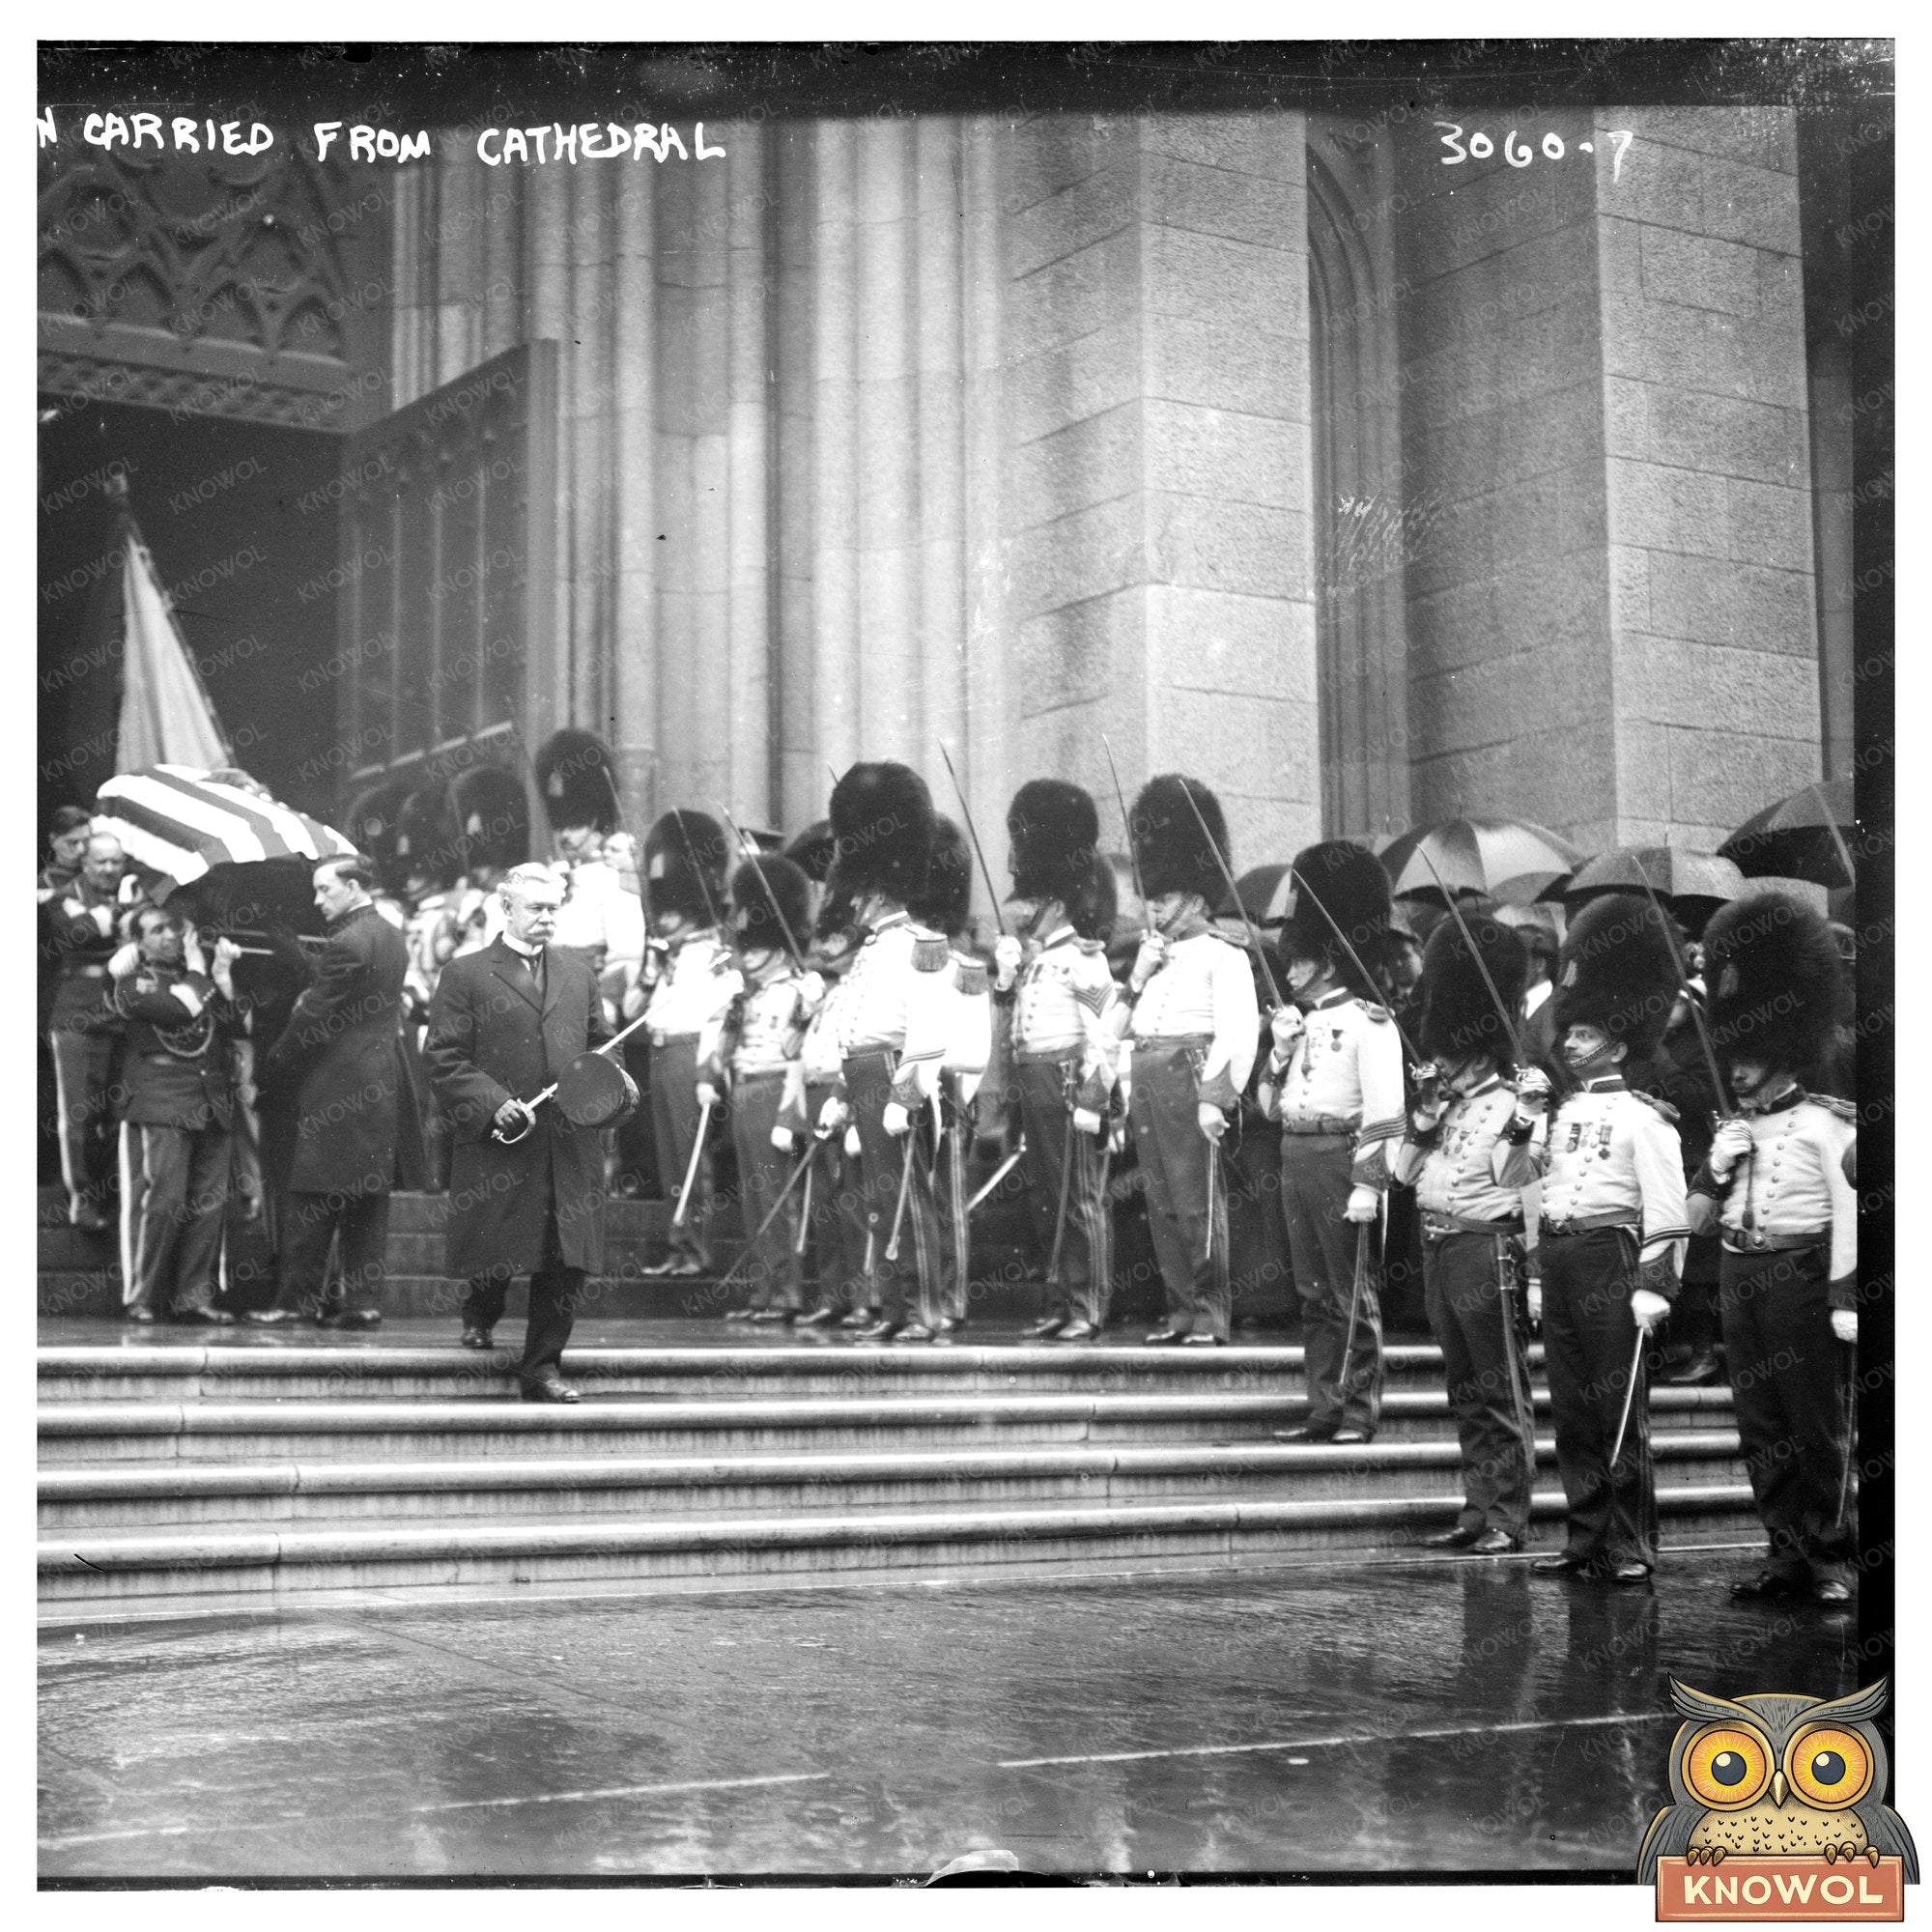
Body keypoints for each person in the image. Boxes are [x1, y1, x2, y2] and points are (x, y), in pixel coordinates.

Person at [1501, 894, 1690, 1586]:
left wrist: (1653, 1285)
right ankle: (1586, 1539)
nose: (1568, 1044)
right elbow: (1515, 1174)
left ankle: (1633, 1543)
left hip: (1614, 1258)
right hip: (1562, 1255)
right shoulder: (1559, 1110)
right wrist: (1523, 1117)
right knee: (1576, 1411)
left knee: (1620, 1413)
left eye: (1580, 1036)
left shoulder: (1646, 1119)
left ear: (1613, 1040)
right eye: (1570, 1035)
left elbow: (1668, 1209)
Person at [1691, 890, 1858, 1607]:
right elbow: (1696, 1218)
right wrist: (1714, 1166)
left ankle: (1830, 1556)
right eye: (1737, 1058)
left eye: (1751, 1059)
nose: (1738, 1071)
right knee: (1759, 1421)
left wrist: (1846, 1294)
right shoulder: (1733, 1129)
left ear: (1783, 1055)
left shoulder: (1829, 1126)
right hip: (1740, 1268)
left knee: (1813, 1421)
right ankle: (1783, 1552)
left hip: (1799, 1270)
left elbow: (1853, 1212)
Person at [423, 863, 637, 1399]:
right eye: (535, 909)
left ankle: (542, 1365)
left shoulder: (579, 973)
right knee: (497, 1240)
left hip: (568, 1139)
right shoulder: (465, 973)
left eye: (553, 909)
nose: (546, 919)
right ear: (506, 907)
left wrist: (605, 1090)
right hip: (502, 1135)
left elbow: (605, 1045)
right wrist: (493, 1103)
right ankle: (482, 1309)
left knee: (566, 1254)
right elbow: (444, 1056)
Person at [1395, 909, 1538, 1554]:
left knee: (1498, 1387)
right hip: (1440, 1245)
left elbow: (1528, 1193)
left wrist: (1533, 1278)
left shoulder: (1516, 1105)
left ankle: (1508, 1516)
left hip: (1487, 1247)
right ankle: (1477, 1509)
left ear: (1475, 1048)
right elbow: (1402, 1178)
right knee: (1464, 1389)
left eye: (1447, 1058)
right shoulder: (1442, 1105)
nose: (1438, 1066)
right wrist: (1423, 1123)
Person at [1261, 841, 1404, 1440]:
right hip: (1297, 1154)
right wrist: (1279, 1053)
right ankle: (1324, 1404)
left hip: (1343, 1158)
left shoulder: (1370, 1021)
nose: (1289, 970)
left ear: (1325, 961)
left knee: (1351, 1293)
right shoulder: (1301, 1023)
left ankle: (1359, 1407)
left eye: (1298, 960)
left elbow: (1387, 1114)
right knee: (1312, 1292)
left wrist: (1369, 1186)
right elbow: (1270, 1108)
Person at [1121, 775, 1258, 1348]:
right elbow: (1131, 1029)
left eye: (1165, 900)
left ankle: (1209, 1313)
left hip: (1190, 1076)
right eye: (1150, 899)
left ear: (1196, 899)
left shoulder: (1224, 956)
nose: (1154, 910)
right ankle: (1179, 1309)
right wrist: (1138, 975)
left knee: (1197, 1202)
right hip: (1150, 1076)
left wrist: (1215, 1097)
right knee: (1162, 1203)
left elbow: (1240, 1033)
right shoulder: (1155, 958)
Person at [250, 856, 414, 1329]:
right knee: (367, 1194)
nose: (318, 900)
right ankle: (361, 1300)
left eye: (326, 889)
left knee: (311, 1192)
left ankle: (296, 1300)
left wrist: (276, 1061)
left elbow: (313, 1014)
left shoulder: (346, 941)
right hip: (380, 1078)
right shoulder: (388, 935)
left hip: (338, 1079)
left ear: (355, 887)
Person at [826, 761, 952, 1343]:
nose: (848, 904)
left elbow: (928, 1031)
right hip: (864, 1077)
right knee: (881, 1203)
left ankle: (924, 1309)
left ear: (874, 890)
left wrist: (906, 1095)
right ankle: (895, 1309)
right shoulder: (871, 950)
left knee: (909, 1200)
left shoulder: (921, 946)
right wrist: (838, 1095)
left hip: (894, 1078)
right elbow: (852, 1029)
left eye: (855, 893)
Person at [997, 780, 1122, 1344]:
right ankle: (1057, 1300)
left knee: (1078, 1199)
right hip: (1035, 1080)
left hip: (1071, 1084)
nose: (1022, 910)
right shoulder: (1038, 959)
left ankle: (1087, 1305)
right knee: (1045, 1200)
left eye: (1030, 900)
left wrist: (1095, 1100)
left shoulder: (1084, 960)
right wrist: (1004, 978)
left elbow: (1106, 1034)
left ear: (1056, 901)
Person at [95, 905, 242, 1323]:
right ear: (138, 942)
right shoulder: (130, 982)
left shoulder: (199, 977)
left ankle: (192, 1297)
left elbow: (236, 1026)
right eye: (157, 930)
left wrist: (224, 976)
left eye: (176, 927)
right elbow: (177, 1011)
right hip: (159, 1099)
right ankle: (141, 1295)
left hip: (210, 1099)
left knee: (208, 1204)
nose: (170, 936)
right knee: (162, 1201)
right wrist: (199, 969)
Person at [631, 810, 740, 1277]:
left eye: (671, 912)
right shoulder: (666, 956)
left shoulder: (714, 955)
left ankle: (695, 1246)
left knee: (692, 1157)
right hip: (659, 1052)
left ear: (691, 907)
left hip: (688, 1056)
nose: (664, 920)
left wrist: (707, 1073)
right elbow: (633, 1010)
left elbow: (721, 1019)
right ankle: (677, 1245)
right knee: (669, 1159)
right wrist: (650, 967)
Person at [711, 852, 816, 1323]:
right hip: (745, 1094)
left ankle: (785, 1293)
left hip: (776, 1094)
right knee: (753, 1199)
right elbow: (722, 1055)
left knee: (777, 1198)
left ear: (777, 947)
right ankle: (763, 1289)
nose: (747, 955)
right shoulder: (745, 994)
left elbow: (798, 1057)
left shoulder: (797, 991)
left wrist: (786, 1116)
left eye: (755, 948)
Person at [905, 817, 993, 1340]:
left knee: (946, 1202)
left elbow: (975, 1048)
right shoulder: (912, 957)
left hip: (948, 1093)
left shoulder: (964, 966)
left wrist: (953, 1090)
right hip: (913, 1087)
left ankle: (953, 1298)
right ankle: (927, 1298)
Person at [780, 883, 872, 1328]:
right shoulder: (822, 993)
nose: (827, 949)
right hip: (815, 1094)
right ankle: (834, 1296)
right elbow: (789, 1047)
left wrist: (847, 1102)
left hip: (846, 1093)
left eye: (836, 941)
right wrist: (803, 1007)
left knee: (852, 1200)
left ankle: (862, 1299)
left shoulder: (862, 988)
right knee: (824, 1205)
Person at [45, 832, 138, 1231]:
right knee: (80, 1114)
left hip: (125, 1016)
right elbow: (75, 933)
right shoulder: (62, 895)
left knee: (122, 1110)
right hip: (78, 1016)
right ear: (84, 864)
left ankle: (112, 1195)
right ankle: (82, 1199)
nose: (109, 870)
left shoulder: (135, 894)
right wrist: (122, 919)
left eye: (116, 862)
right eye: (100, 862)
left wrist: (111, 921)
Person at [535, 729, 647, 1025]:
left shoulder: (615, 878)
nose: (565, 836)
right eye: (560, 826)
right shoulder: (553, 875)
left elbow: (627, 955)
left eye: (574, 824)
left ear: (595, 819)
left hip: (590, 1002)